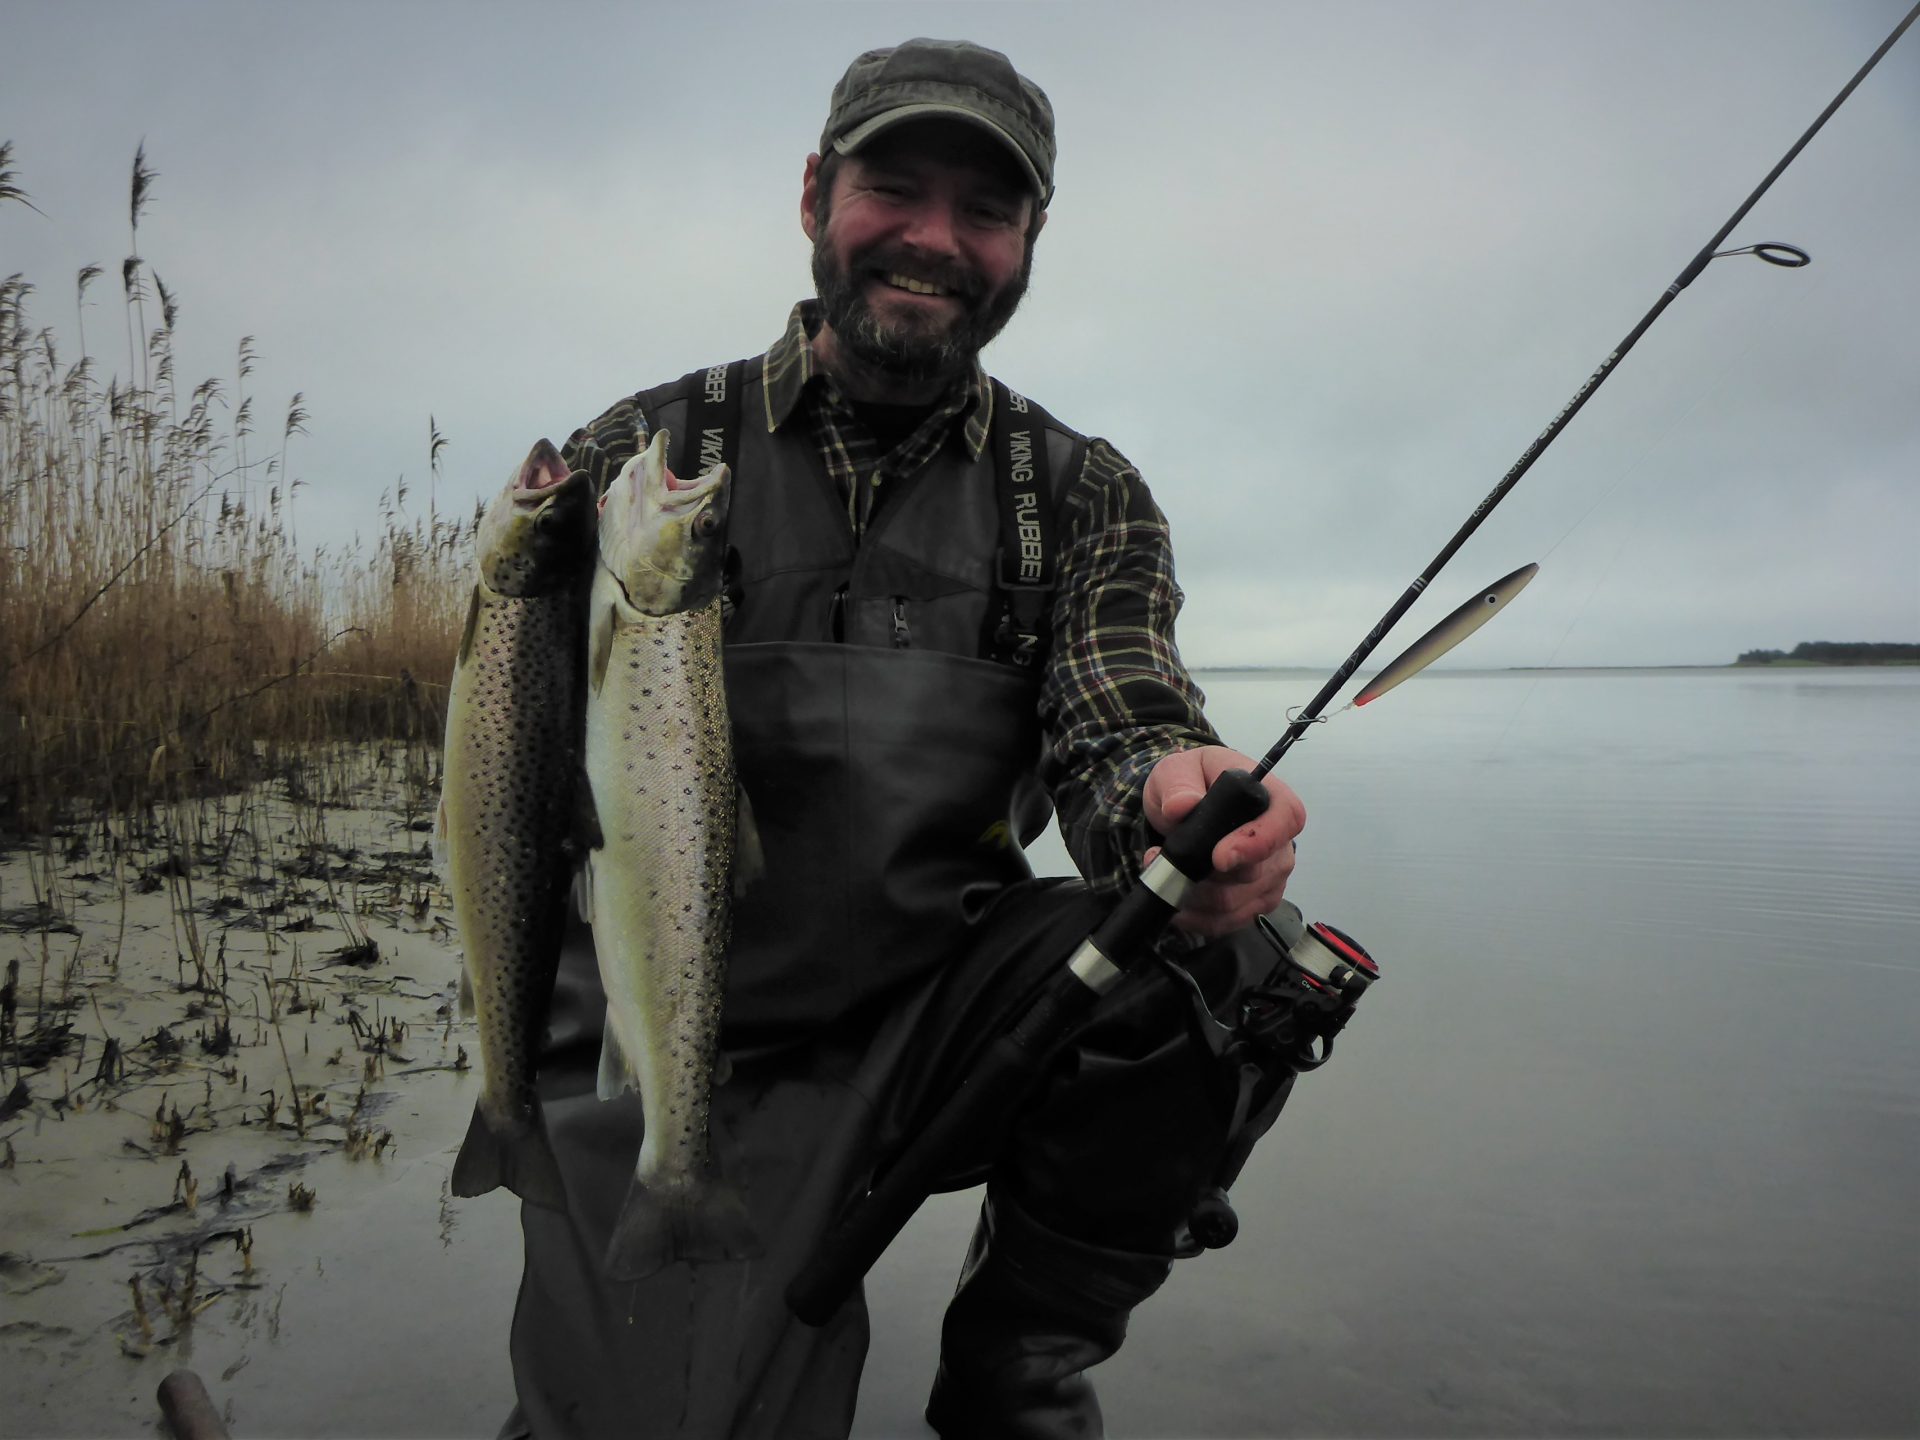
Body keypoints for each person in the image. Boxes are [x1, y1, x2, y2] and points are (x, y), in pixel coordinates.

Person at [487, 38, 1307, 1440]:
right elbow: (510, 760)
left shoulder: (1084, 494)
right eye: (895, 189)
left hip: (930, 1020)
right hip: (661, 1022)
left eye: (984, 211)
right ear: (815, 194)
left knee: (1219, 968)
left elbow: (1123, 709)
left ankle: (1017, 1375)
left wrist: (1172, 796)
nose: (934, 240)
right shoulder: (645, 454)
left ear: (1030, 242)